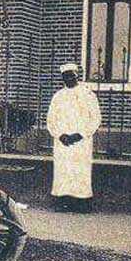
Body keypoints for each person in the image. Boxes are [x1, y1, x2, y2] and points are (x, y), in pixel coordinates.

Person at [46, 63, 102, 213]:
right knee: (63, 170)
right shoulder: (58, 96)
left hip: (81, 141)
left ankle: (82, 204)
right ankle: (63, 202)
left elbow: (95, 118)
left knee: (80, 170)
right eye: (66, 76)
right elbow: (51, 120)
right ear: (62, 78)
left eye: (72, 75)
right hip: (62, 141)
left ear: (77, 75)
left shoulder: (88, 95)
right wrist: (60, 135)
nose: (69, 78)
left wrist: (80, 134)